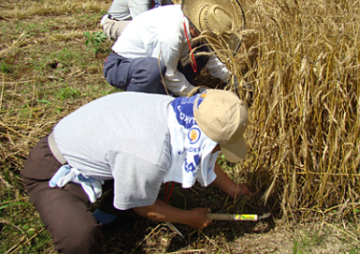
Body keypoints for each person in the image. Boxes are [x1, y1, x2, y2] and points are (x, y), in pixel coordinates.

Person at [22, 89, 255, 253]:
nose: (218, 151)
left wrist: (232, 188)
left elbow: (201, 150)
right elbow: (145, 207)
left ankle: (110, 214)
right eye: (218, 146)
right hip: (54, 170)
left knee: (147, 180)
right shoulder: (150, 154)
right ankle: (99, 219)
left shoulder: (180, 113)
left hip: (106, 154)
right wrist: (190, 218)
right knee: (80, 237)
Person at [103, 0, 245, 96]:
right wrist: (198, 94)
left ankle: (172, 93)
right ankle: (133, 103)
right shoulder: (170, 35)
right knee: (155, 72)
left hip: (159, 63)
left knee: (203, 52)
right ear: (197, 28)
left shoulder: (193, 21)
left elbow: (211, 59)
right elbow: (168, 74)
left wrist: (233, 80)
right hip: (124, 66)